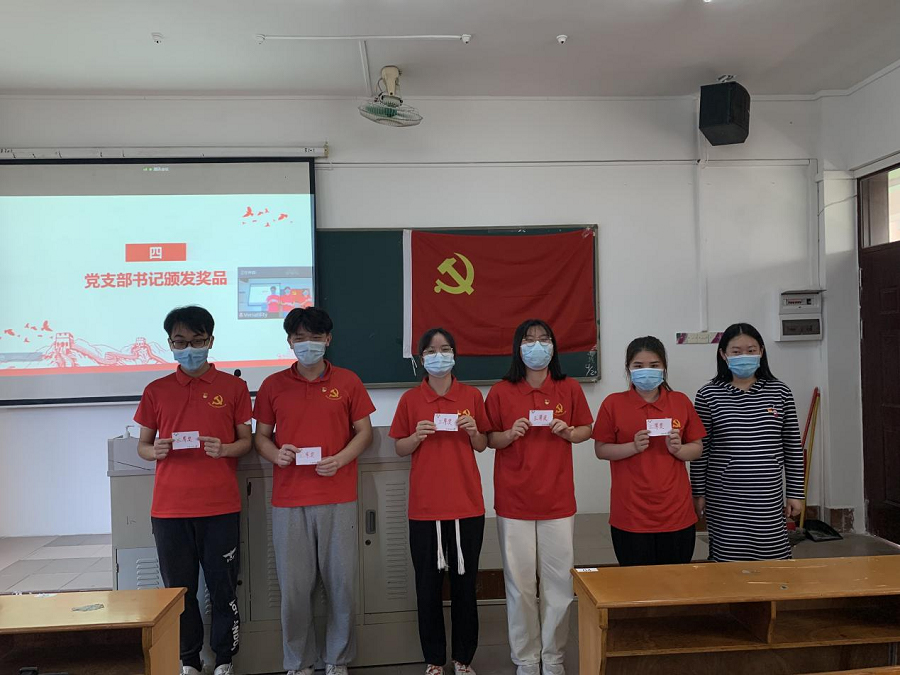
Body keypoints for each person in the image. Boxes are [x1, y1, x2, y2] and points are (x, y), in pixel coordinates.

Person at [253, 307, 375, 675]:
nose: (308, 344)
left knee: (341, 586)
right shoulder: (273, 385)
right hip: (289, 500)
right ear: (290, 342)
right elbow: (261, 437)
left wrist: (340, 459)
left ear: (328, 339)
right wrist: (276, 454)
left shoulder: (348, 381)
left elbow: (364, 433)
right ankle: (299, 662)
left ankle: (337, 660)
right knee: (294, 590)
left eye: (316, 337)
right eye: (300, 338)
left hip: (338, 496)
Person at [135, 305, 252, 675]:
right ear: (170, 343)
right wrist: (155, 450)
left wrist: (225, 448)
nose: (189, 349)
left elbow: (246, 442)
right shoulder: (156, 390)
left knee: (222, 588)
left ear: (211, 341)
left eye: (197, 341)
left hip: (220, 507)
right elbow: (143, 446)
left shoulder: (233, 388)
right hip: (169, 510)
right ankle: (189, 661)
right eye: (180, 342)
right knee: (179, 592)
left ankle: (225, 659)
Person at [485, 319, 593, 675]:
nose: (536, 346)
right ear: (518, 348)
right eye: (529, 340)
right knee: (519, 585)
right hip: (514, 501)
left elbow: (586, 429)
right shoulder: (501, 391)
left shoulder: (569, 387)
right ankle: (527, 659)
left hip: (557, 501)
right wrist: (509, 434)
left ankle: (554, 656)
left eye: (543, 339)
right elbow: (488, 439)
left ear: (553, 346)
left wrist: (569, 432)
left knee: (558, 584)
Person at [390, 328, 488, 675]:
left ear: (454, 355)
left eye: (445, 349)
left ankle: (463, 659)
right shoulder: (410, 400)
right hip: (425, 509)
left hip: (466, 506)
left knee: (465, 587)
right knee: (427, 589)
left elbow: (482, 444)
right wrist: (416, 436)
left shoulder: (471, 396)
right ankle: (434, 660)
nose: (439, 356)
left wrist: (474, 431)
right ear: (422, 358)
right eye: (431, 351)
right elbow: (399, 447)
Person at [691, 322, 804, 562]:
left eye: (751, 350)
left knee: (772, 558)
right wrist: (698, 492)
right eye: (736, 351)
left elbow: (792, 447)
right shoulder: (708, 394)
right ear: (724, 354)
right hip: (725, 497)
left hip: (767, 495)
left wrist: (795, 493)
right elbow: (701, 450)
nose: (745, 356)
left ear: (761, 351)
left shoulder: (780, 392)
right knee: (728, 560)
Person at [593, 336, 705, 566]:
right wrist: (632, 447)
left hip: (676, 513)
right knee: (636, 583)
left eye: (654, 365)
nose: (647, 371)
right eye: (638, 365)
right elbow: (601, 450)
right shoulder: (613, 403)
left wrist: (678, 449)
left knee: (676, 581)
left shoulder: (680, 401)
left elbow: (697, 449)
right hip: (630, 514)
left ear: (664, 367)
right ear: (628, 369)